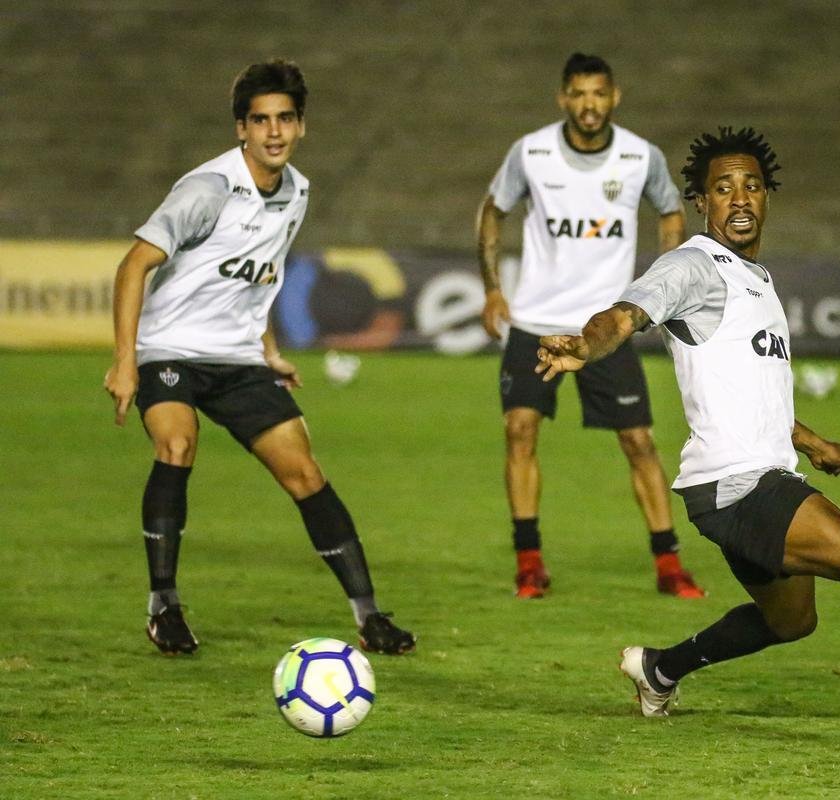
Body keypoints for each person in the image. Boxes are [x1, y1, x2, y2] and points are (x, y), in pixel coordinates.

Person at [537, 127, 840, 757]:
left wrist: (810, 441)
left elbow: (749, 387)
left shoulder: (756, 277)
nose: (740, 197)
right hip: (738, 483)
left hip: (745, 478)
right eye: (724, 188)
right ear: (702, 202)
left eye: (751, 185)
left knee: (791, 620)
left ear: (767, 197)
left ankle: (660, 669)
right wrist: (586, 346)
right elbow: (625, 315)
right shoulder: (692, 265)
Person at [102, 60, 415, 656]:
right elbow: (133, 265)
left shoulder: (298, 192)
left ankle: (370, 616)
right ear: (241, 128)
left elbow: (259, 278)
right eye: (261, 120)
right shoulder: (208, 190)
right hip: (170, 348)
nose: (274, 131)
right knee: (177, 444)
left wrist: (268, 350)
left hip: (239, 359)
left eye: (285, 119)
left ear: (301, 126)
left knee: (305, 473)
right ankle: (163, 606)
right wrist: (124, 360)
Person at [476, 52, 703, 600]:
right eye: (578, 94)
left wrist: (662, 285)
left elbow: (671, 210)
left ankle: (669, 565)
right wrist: (492, 288)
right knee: (520, 431)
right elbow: (493, 210)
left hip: (605, 326)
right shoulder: (531, 153)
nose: (588, 104)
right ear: (563, 98)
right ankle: (529, 564)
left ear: (614, 97)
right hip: (534, 322)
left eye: (598, 93)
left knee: (638, 441)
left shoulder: (640, 156)